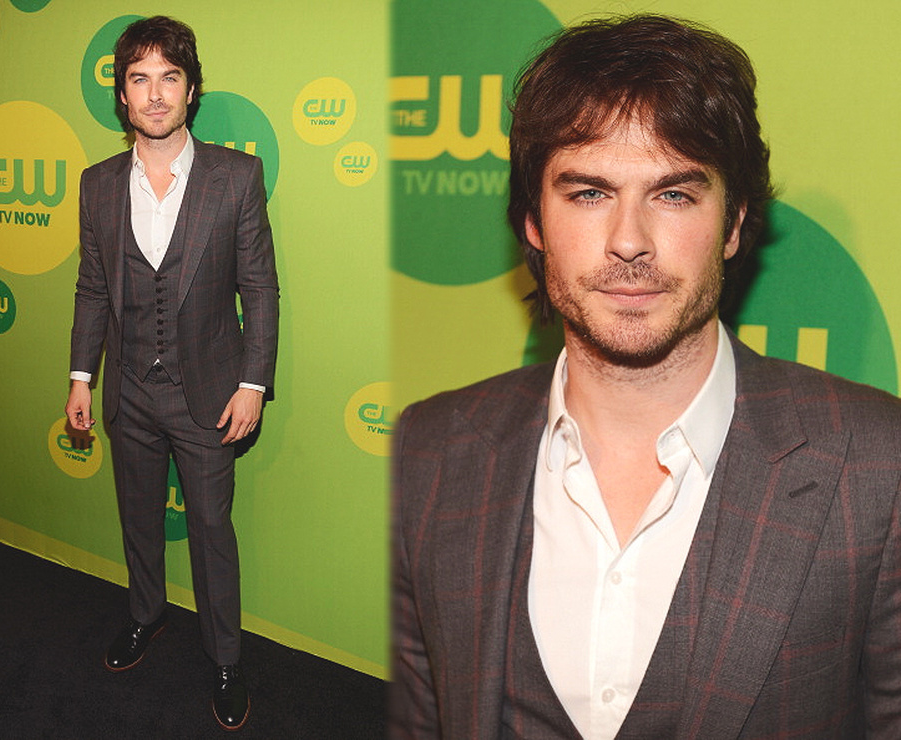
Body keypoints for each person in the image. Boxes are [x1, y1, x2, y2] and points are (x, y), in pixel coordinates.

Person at [390, 14, 901, 739]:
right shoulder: (427, 450)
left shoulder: (880, 465)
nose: (629, 241)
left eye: (674, 195)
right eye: (588, 193)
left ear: (734, 224)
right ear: (533, 222)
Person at [65, 15, 278, 731]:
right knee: (137, 517)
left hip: (209, 395)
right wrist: (82, 376)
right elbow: (93, 289)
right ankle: (146, 614)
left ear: (191, 90)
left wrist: (253, 383)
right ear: (122, 95)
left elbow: (260, 288)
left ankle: (226, 659)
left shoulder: (235, 176)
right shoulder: (97, 184)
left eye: (169, 78)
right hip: (128, 390)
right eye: (139, 79)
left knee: (212, 530)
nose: (154, 94)